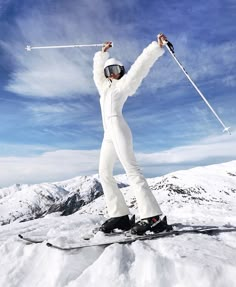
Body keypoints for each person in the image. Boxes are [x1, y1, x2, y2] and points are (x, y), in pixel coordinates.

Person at [93, 33, 172, 235]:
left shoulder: (124, 85)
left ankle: (153, 217)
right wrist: (102, 55)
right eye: (108, 70)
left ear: (121, 71)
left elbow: (140, 67)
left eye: (116, 69)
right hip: (107, 134)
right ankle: (120, 215)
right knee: (104, 173)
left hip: (119, 128)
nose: (112, 73)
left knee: (132, 171)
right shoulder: (103, 88)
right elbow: (96, 74)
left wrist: (156, 47)